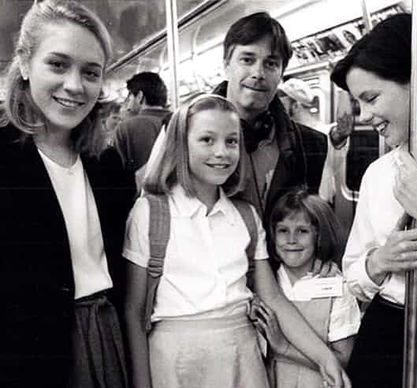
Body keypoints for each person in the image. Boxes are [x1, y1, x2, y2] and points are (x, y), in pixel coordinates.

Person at [123, 94, 351, 388]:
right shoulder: (151, 213)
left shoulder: (245, 216)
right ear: (181, 145)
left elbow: (273, 298)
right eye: (207, 140)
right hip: (173, 359)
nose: (222, 152)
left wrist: (324, 358)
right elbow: (133, 311)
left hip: (241, 353)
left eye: (231, 141)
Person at [331, 13, 417, 388]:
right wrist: (378, 263)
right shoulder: (379, 175)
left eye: (371, 98)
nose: (365, 116)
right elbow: (352, 277)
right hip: (386, 337)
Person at [0, 1, 135, 387]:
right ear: (25, 64)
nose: (75, 86)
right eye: (58, 65)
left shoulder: (107, 164)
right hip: (25, 350)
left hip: (107, 337)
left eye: (90, 72)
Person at [213, 12, 330, 221]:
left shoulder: (312, 145)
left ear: (281, 73)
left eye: (271, 64)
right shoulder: (182, 131)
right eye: (247, 60)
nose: (258, 73)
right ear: (226, 65)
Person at [253, 189, 360, 387]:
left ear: (319, 236)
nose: (291, 239)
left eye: (302, 231)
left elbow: (343, 360)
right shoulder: (266, 284)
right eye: (283, 230)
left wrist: (283, 348)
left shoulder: (336, 287)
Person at [278, 78, 354, 204]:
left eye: (282, 103)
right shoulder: (286, 135)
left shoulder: (325, 133)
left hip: (317, 207)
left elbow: (344, 130)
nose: (279, 108)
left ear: (296, 106)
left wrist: (342, 87)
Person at [114, 71, 172, 173]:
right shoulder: (180, 120)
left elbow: (117, 173)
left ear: (140, 96)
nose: (129, 102)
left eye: (130, 96)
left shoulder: (125, 128)